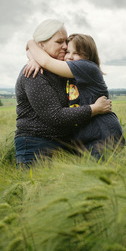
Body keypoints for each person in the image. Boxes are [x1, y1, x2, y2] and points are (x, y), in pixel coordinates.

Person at [15, 20, 112, 167]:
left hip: (69, 144)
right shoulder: (33, 72)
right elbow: (55, 116)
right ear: (41, 45)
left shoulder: (65, 70)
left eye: (66, 42)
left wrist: (33, 53)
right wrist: (94, 108)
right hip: (37, 144)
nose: (65, 46)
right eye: (59, 42)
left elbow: (47, 61)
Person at [26, 32, 126, 160]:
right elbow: (43, 61)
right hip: (84, 138)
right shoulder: (67, 74)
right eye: (67, 52)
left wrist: (30, 43)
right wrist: (33, 59)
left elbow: (46, 61)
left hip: (102, 133)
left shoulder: (87, 67)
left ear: (88, 55)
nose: (70, 57)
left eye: (77, 53)